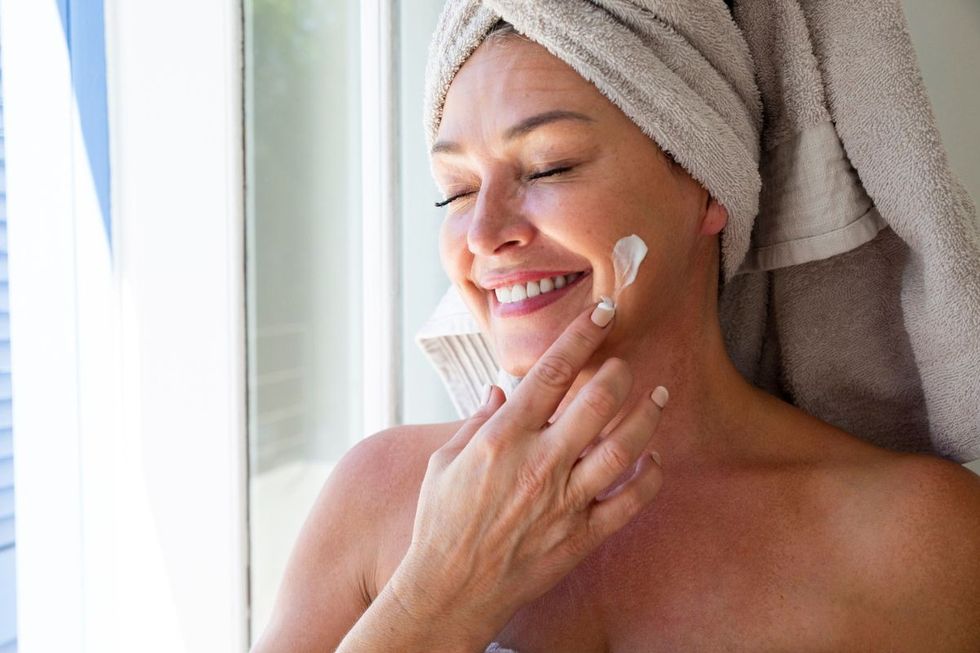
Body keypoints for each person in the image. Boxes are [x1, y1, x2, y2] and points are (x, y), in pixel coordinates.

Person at [250, 11, 980, 653]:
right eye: (458, 190)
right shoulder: (377, 500)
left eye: (549, 166)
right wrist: (437, 597)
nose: (483, 234)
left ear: (706, 184)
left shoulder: (923, 543)